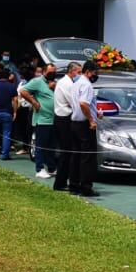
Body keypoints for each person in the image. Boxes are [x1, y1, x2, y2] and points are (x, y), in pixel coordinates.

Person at [67, 60, 101, 198]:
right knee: (87, 157)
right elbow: (83, 104)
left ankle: (73, 185)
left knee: (76, 156)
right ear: (88, 71)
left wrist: (95, 112)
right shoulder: (87, 85)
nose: (95, 75)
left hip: (74, 122)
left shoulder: (75, 84)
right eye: (94, 72)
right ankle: (86, 187)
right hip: (84, 124)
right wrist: (92, 119)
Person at [21, 68, 59, 178]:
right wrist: (33, 102)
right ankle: (39, 168)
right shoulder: (37, 82)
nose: (52, 73)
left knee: (50, 146)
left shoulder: (54, 83)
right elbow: (23, 91)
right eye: (50, 72)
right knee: (41, 145)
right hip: (42, 119)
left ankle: (51, 168)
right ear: (44, 72)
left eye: (54, 71)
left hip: (53, 119)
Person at [51, 62, 81, 192]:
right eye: (78, 72)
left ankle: (63, 181)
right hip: (64, 119)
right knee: (66, 152)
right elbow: (73, 101)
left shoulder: (66, 82)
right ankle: (60, 182)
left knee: (67, 152)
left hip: (63, 118)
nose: (79, 75)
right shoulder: (66, 83)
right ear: (72, 71)